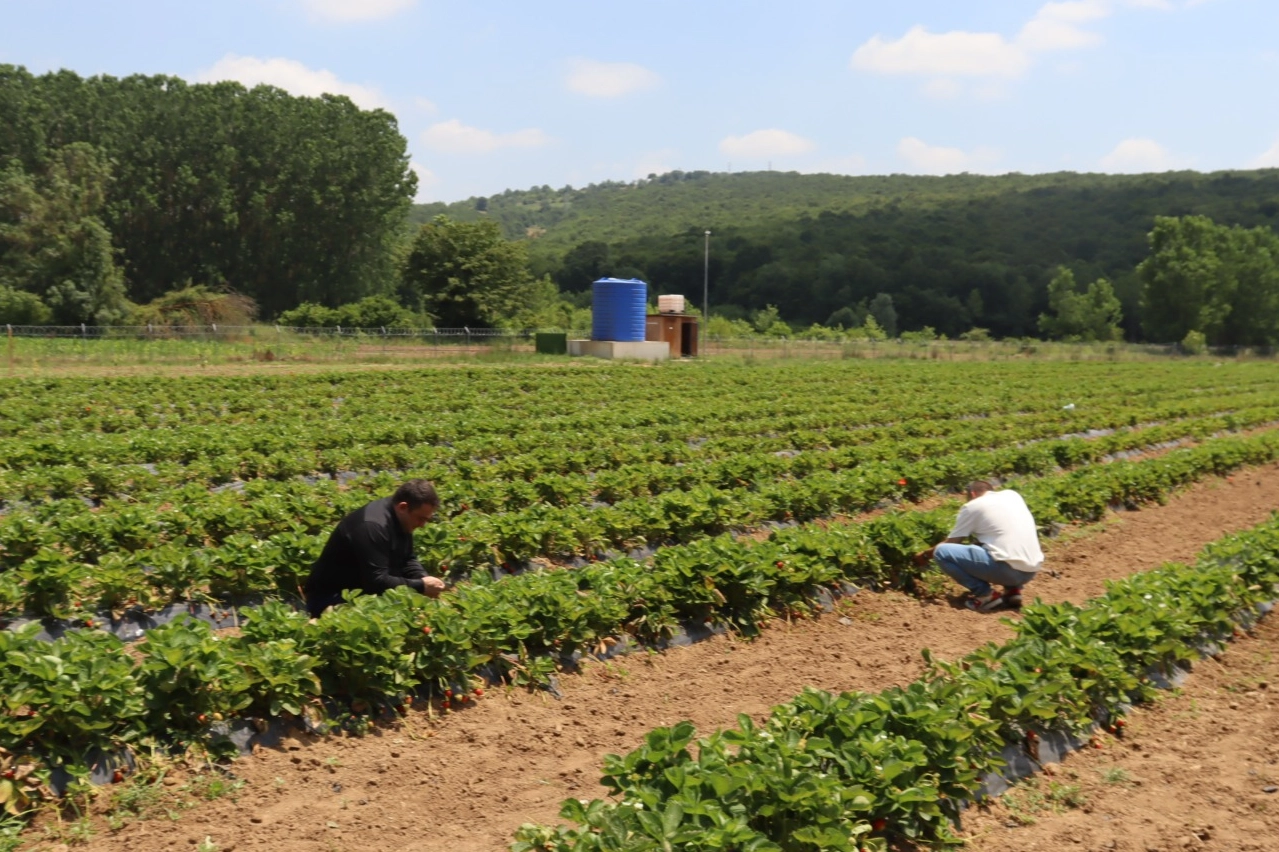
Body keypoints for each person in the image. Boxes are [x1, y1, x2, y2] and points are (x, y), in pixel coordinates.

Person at [304, 479, 448, 617]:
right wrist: (420, 586)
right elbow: (376, 582)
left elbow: (407, 558)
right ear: (403, 507)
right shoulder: (372, 526)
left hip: (364, 590)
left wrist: (423, 578)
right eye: (421, 518)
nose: (423, 525)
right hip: (330, 597)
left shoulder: (400, 517)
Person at [914, 480, 1044, 612]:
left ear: (973, 494)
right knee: (1000, 544)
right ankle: (1013, 591)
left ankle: (985, 595)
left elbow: (952, 543)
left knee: (941, 552)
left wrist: (925, 556)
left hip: (1006, 571)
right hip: (1030, 571)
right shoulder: (1012, 495)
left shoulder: (972, 506)